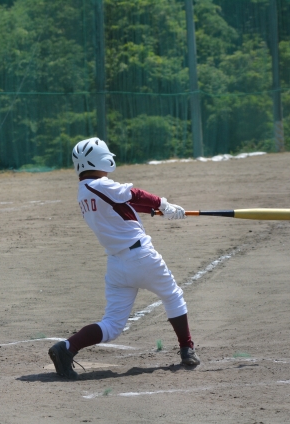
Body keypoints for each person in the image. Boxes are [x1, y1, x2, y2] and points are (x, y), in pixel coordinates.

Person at [47, 137, 200, 379]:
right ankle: (187, 349)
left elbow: (122, 205)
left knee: (112, 325)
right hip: (142, 257)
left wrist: (155, 210)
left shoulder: (84, 191)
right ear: (99, 160)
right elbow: (133, 194)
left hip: (117, 266)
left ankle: (66, 347)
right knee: (173, 296)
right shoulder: (101, 184)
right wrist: (163, 204)